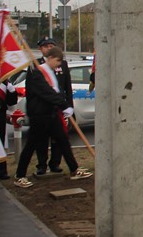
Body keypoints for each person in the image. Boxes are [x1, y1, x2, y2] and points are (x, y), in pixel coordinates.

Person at [13, 47, 92, 188]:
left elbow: (59, 90)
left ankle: (74, 169)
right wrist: (63, 105)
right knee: (31, 145)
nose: (58, 65)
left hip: (52, 113)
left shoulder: (50, 72)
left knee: (63, 140)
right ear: (49, 58)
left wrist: (65, 105)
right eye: (57, 61)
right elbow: (47, 92)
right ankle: (19, 176)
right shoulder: (38, 73)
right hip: (40, 115)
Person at [36, 37, 74, 175]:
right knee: (42, 138)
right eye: (45, 46)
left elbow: (67, 87)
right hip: (44, 108)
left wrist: (69, 106)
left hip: (59, 107)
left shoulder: (62, 64)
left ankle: (55, 163)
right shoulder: (37, 64)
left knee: (59, 138)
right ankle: (41, 165)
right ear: (41, 49)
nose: (48, 48)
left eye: (51, 45)